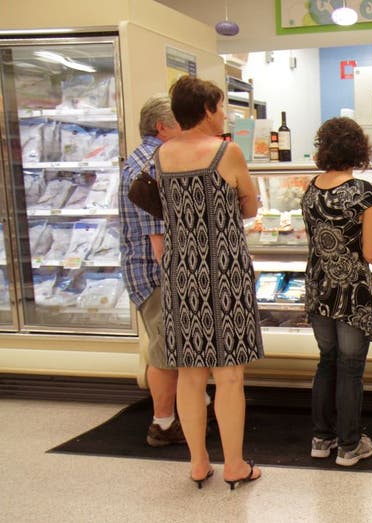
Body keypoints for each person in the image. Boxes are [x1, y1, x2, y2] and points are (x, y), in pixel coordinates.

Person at [156, 75, 263, 489]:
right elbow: (250, 206)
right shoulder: (226, 151)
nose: (223, 114)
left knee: (190, 372)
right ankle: (234, 464)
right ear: (205, 110)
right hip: (224, 271)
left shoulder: (162, 155)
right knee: (229, 374)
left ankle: (198, 463)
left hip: (181, 270)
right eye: (219, 107)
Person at [302, 117, 372, 467]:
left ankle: (321, 439)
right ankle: (350, 446)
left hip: (319, 286)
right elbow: (371, 253)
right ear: (359, 149)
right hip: (352, 293)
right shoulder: (365, 193)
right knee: (350, 367)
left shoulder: (311, 189)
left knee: (327, 361)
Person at [119, 95, 184, 448]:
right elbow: (158, 239)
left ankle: (182, 410)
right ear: (162, 127)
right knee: (164, 350)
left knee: (169, 346)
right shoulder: (151, 165)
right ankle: (163, 424)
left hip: (146, 270)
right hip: (155, 274)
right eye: (179, 123)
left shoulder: (144, 159)